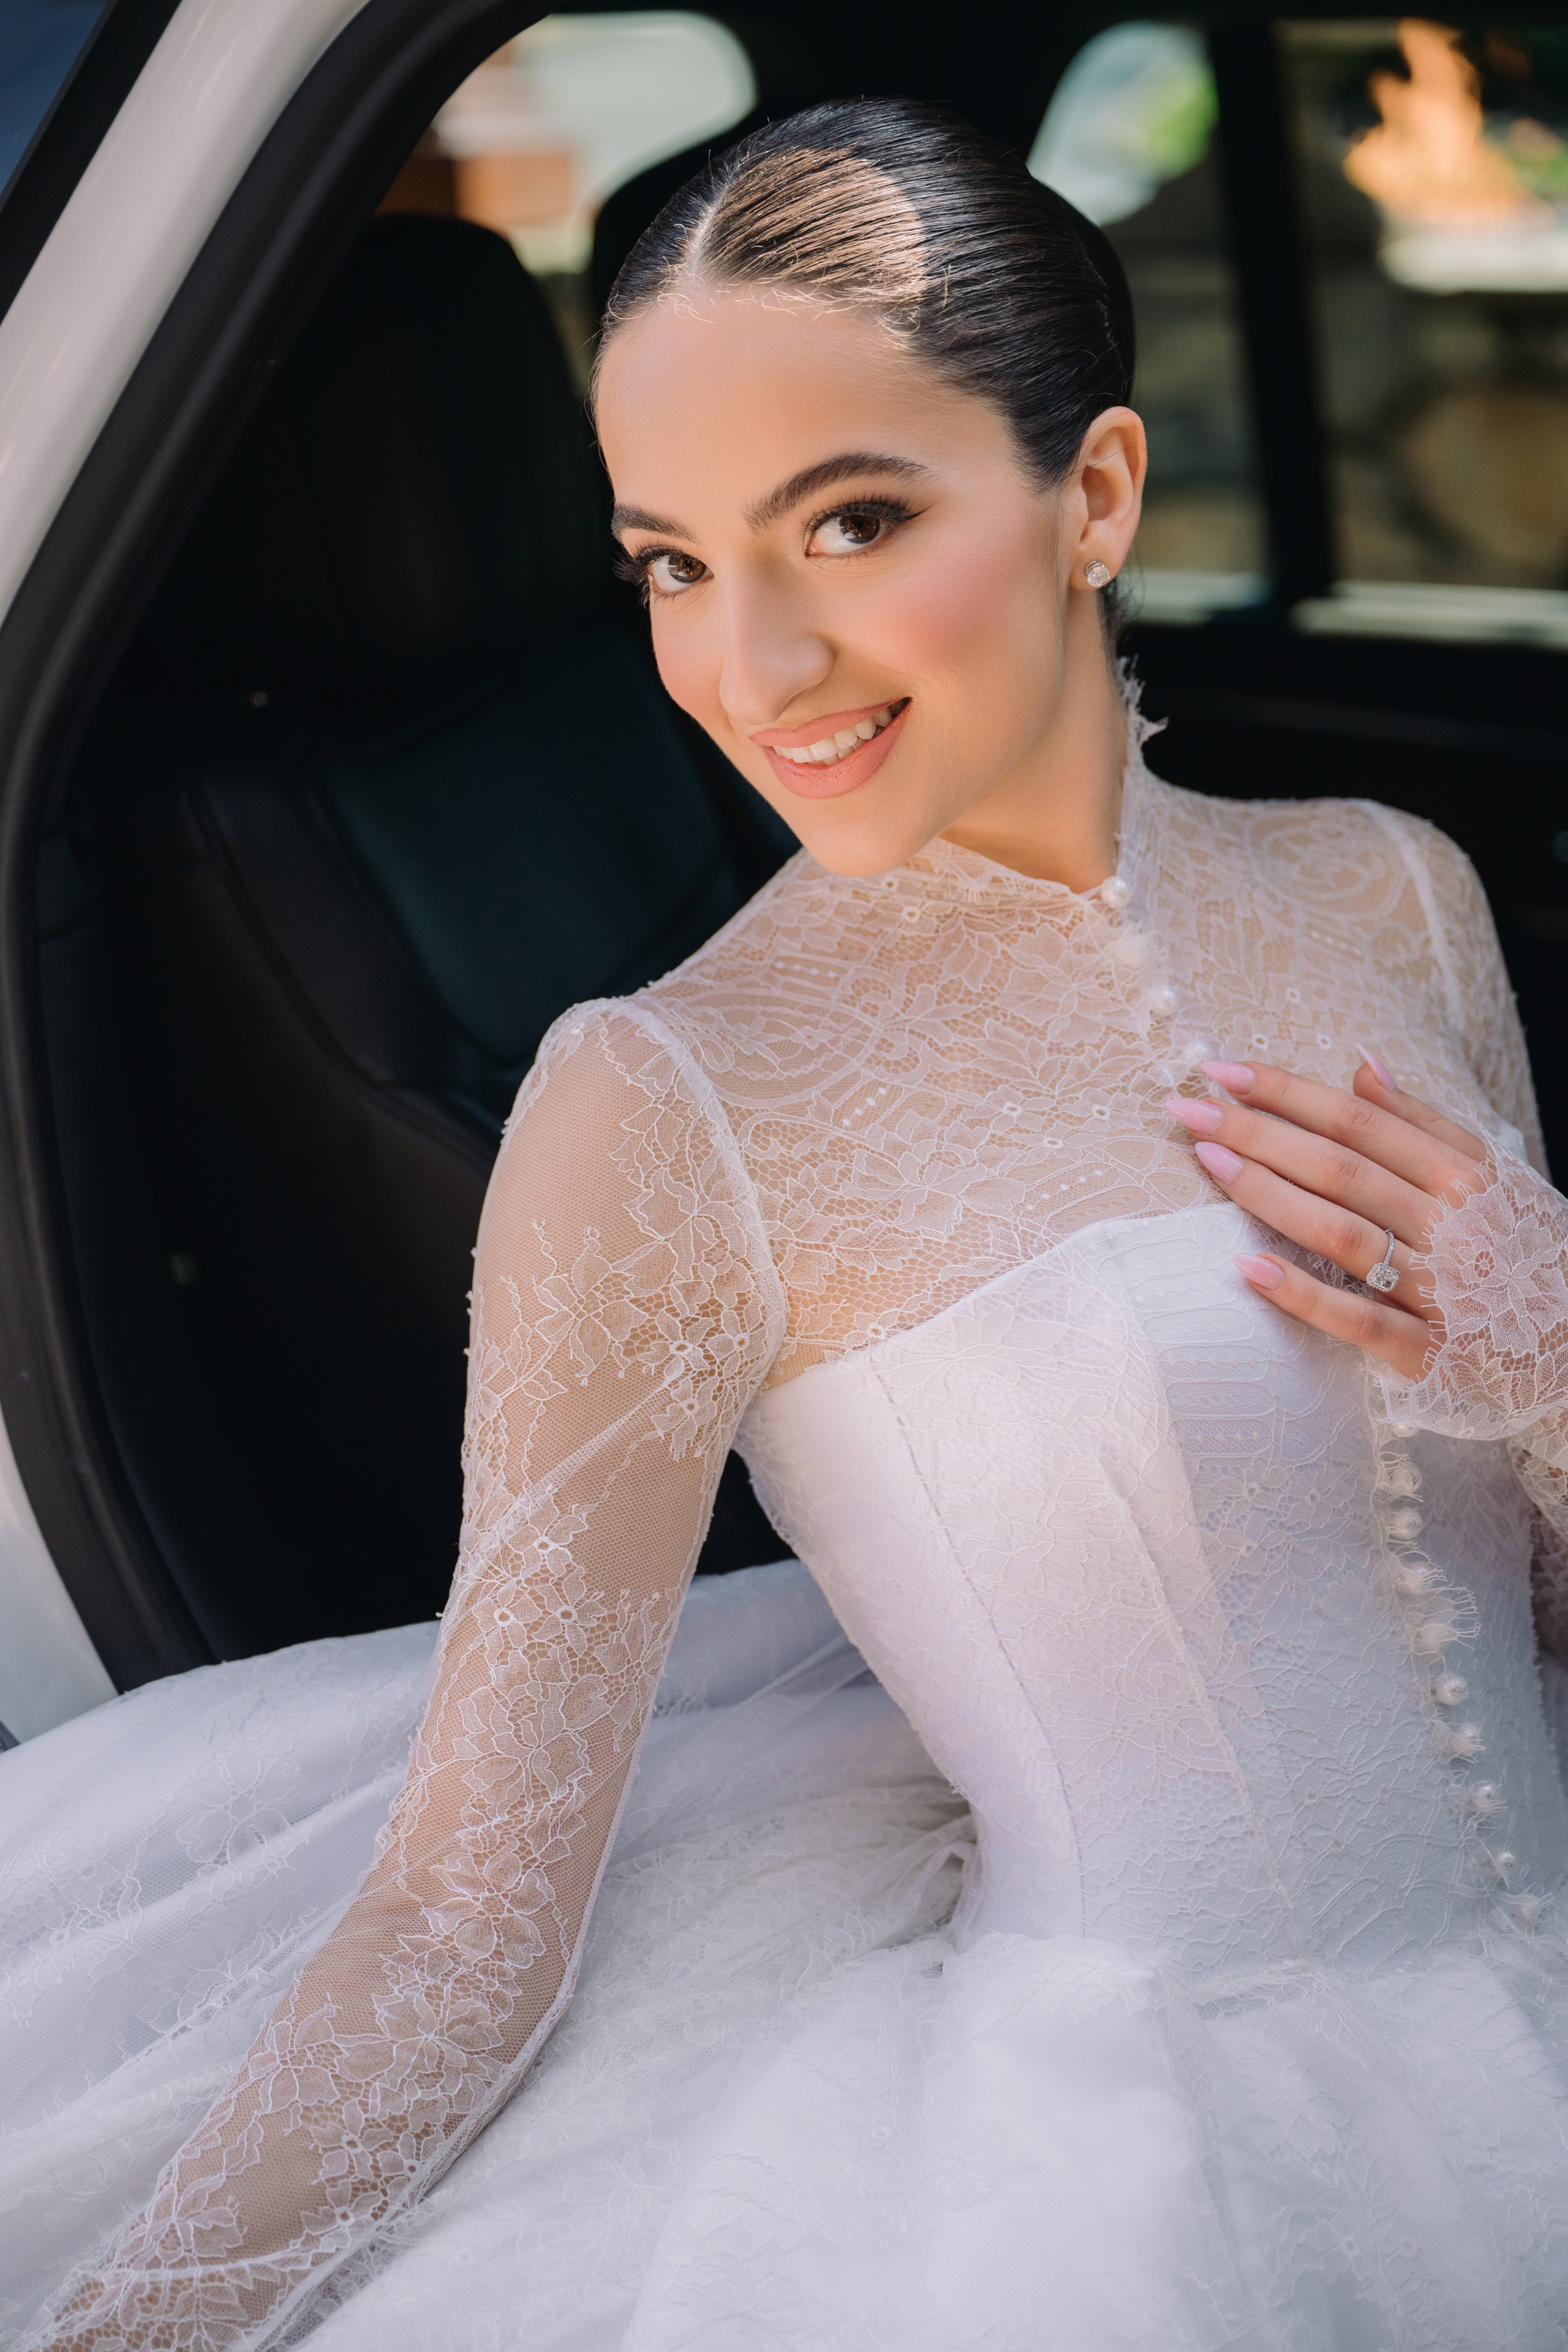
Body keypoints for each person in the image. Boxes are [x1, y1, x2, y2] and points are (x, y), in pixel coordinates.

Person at [7, 96, 1568, 2352]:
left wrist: (1547, 1354)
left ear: (1096, 496)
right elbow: (459, 1924)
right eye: (668, 562)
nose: (753, 666)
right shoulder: (662, 1105)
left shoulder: (1395, 892)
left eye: (851, 521)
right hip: (1159, 2163)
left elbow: (1533, 1626)